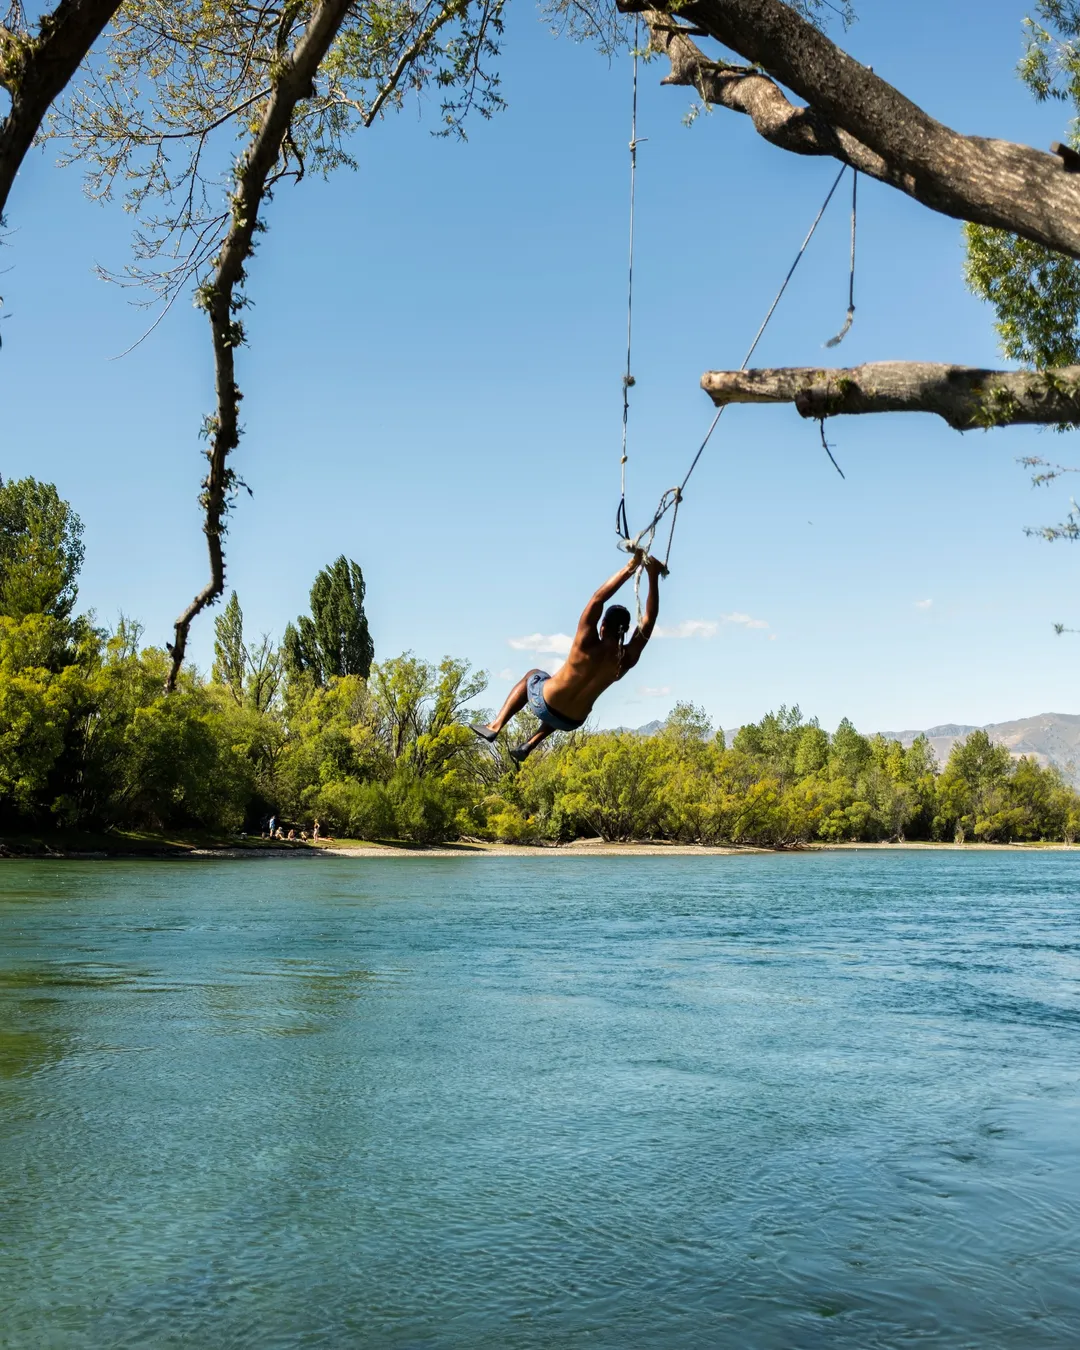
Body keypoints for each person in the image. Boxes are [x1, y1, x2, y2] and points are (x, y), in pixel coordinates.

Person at [472, 552, 664, 763]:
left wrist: (631, 566)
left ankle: (495, 725)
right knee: (566, 703)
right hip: (572, 720)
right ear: (626, 630)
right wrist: (652, 575)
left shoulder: (587, 642)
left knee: (534, 675)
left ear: (602, 626)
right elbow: (649, 619)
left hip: (545, 702)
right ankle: (531, 743)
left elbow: (598, 598)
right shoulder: (626, 658)